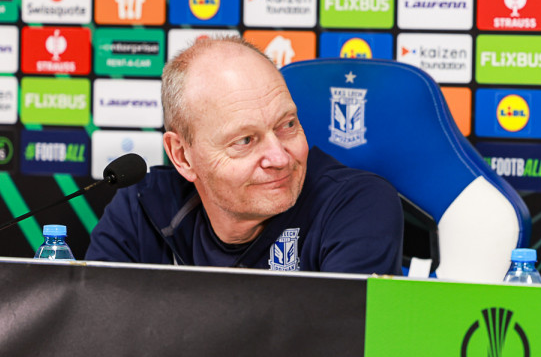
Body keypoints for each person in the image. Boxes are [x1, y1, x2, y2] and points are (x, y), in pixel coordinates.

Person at [87, 36, 403, 273]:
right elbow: (96, 329)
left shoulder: (356, 204)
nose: (280, 158)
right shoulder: (143, 206)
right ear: (182, 157)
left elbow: (340, 339)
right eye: (245, 140)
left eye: (287, 125)